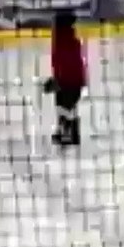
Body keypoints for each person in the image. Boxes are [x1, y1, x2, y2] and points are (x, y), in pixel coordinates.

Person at [42, 9, 87, 147]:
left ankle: (71, 133)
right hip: (69, 81)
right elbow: (64, 60)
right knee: (64, 108)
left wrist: (57, 80)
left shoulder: (65, 42)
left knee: (63, 108)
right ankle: (71, 134)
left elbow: (63, 60)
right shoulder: (66, 42)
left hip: (69, 81)